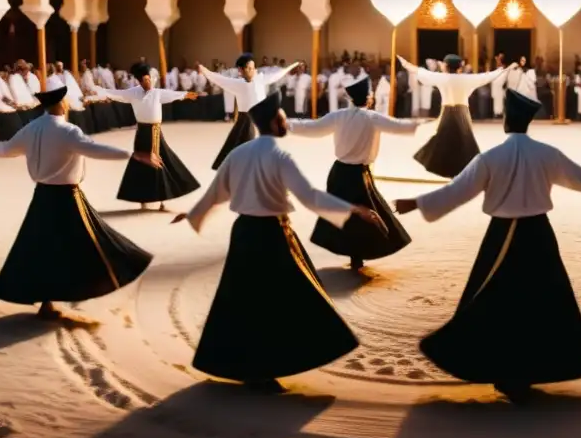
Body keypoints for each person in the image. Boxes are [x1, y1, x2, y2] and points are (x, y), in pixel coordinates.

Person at [392, 90, 581, 401]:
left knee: (496, 303)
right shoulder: (547, 153)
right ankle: (535, 368)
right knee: (543, 302)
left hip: (502, 236)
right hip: (538, 234)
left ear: (505, 121)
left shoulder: (490, 157)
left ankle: (502, 368)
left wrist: (416, 202)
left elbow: (458, 190)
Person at [172, 92, 386, 392]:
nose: (286, 120)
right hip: (273, 233)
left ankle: (245, 366)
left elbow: (217, 192)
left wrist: (195, 213)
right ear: (274, 122)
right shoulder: (280, 156)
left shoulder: (239, 153)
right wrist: (356, 209)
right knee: (284, 301)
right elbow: (310, 196)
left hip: (244, 232)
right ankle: (271, 366)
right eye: (283, 116)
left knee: (243, 302)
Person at [0, 86, 158, 321]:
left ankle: (48, 301)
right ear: (61, 105)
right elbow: (96, 149)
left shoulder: (30, 129)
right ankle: (90, 284)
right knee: (90, 242)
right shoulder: (68, 131)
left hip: (42, 196)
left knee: (41, 248)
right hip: (68, 197)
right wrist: (132, 154)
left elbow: (5, 150)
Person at [289, 76, 420, 271]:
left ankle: (355, 257)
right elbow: (402, 127)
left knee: (348, 214)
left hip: (339, 172)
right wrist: (427, 123)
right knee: (362, 215)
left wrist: (284, 123)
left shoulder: (338, 116)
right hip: (359, 174)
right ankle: (357, 257)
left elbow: (309, 128)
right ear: (368, 98)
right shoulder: (373, 118)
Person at [95, 62, 200, 211]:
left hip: (156, 133)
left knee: (162, 162)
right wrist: (99, 91)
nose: (148, 82)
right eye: (144, 80)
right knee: (141, 165)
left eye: (149, 79)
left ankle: (163, 199)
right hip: (142, 132)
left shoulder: (157, 93)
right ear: (139, 80)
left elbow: (171, 95)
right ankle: (142, 198)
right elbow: (117, 94)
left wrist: (185, 95)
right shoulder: (132, 93)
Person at [398, 54, 511, 178]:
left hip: (447, 112)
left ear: (445, 66)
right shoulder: (466, 79)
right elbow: (488, 76)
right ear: (460, 67)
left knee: (442, 141)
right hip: (462, 113)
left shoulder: (441, 78)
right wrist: (504, 69)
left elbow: (419, 71)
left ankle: (448, 171)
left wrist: (404, 62)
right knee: (466, 142)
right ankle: (469, 172)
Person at [199, 54, 298, 169]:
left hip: (261, 117)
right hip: (246, 119)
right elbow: (219, 79)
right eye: (249, 68)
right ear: (241, 70)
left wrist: (291, 67)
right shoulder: (237, 84)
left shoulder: (260, 79)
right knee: (243, 146)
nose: (253, 71)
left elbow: (275, 76)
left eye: (253, 68)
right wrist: (205, 71)